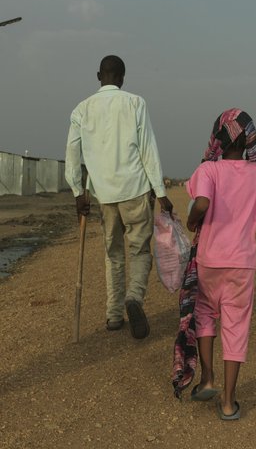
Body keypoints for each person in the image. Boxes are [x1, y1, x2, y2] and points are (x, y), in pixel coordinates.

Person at [65, 55, 173, 339]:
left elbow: (72, 153)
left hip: (103, 193)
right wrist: (160, 192)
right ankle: (134, 297)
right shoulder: (135, 103)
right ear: (122, 78)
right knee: (139, 250)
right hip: (134, 190)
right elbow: (148, 148)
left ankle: (114, 315)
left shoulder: (81, 110)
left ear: (98, 75)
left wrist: (78, 191)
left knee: (113, 254)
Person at [185, 109, 256, 420]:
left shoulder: (208, 170)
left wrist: (192, 219)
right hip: (242, 263)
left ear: (218, 138)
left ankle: (207, 378)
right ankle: (228, 402)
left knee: (205, 313)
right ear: (249, 138)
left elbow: (202, 202)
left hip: (210, 258)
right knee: (236, 326)